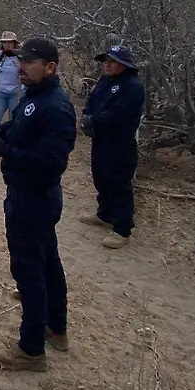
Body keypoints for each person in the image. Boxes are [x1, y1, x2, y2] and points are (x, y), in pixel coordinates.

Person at [0, 38, 76, 372]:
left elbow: (51, 164)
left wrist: (6, 151)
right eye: (21, 61)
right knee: (47, 264)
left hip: (34, 198)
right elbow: (19, 128)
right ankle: (56, 329)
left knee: (30, 271)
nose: (21, 67)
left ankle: (31, 351)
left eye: (30, 62)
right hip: (26, 194)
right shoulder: (34, 97)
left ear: (50, 67)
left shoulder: (56, 107)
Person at [79, 45, 145, 249]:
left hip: (120, 143)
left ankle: (122, 229)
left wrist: (94, 121)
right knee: (100, 177)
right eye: (106, 61)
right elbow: (92, 102)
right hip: (101, 139)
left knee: (118, 183)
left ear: (125, 65)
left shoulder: (132, 87)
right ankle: (105, 214)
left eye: (113, 62)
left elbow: (119, 114)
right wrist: (87, 118)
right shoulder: (105, 80)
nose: (107, 65)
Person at [0, 33, 22, 130]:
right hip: (0, 92)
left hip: (15, 93)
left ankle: (12, 139)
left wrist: (21, 68)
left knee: (14, 121)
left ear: (14, 43)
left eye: (10, 42)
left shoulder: (20, 57)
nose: (7, 44)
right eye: (4, 42)